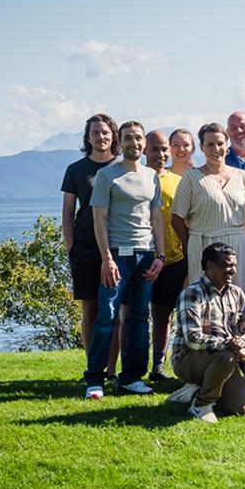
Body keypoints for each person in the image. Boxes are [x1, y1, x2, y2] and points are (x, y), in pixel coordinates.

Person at [84, 121, 165, 399]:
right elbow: (99, 219)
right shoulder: (107, 176)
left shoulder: (152, 176)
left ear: (144, 143)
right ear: (120, 142)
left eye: (138, 138)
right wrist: (107, 257)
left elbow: (156, 218)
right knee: (106, 316)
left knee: (140, 319)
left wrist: (161, 256)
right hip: (117, 255)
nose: (134, 142)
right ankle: (95, 380)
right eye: (128, 137)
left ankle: (131, 378)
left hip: (146, 256)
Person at [172, 243, 245, 423]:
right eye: (226, 265)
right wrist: (229, 344)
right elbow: (192, 339)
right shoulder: (192, 294)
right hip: (189, 358)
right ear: (209, 266)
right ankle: (201, 404)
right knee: (226, 356)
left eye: (234, 266)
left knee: (242, 409)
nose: (231, 270)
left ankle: (198, 389)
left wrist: (242, 342)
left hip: (223, 357)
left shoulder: (237, 293)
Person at [62, 113, 120, 365]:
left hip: (117, 243)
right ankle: (92, 365)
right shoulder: (76, 170)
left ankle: (111, 369)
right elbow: (67, 212)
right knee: (90, 309)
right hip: (85, 247)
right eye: (95, 132)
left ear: (113, 136)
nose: (101, 136)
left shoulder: (121, 167)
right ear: (88, 137)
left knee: (114, 311)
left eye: (106, 132)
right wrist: (71, 246)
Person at [171, 122, 245, 290]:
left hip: (236, 247)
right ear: (202, 147)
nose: (216, 148)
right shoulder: (191, 178)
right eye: (210, 144)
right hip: (203, 245)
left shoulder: (242, 176)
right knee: (204, 298)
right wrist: (191, 245)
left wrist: (231, 232)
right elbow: (176, 219)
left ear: (227, 146)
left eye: (220, 143)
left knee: (234, 297)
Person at [144, 130, 187, 381]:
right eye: (154, 149)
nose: (160, 154)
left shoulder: (177, 181)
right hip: (143, 256)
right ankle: (130, 367)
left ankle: (158, 366)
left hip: (174, 259)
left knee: (164, 315)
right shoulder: (135, 178)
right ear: (144, 151)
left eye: (163, 149)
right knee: (133, 315)